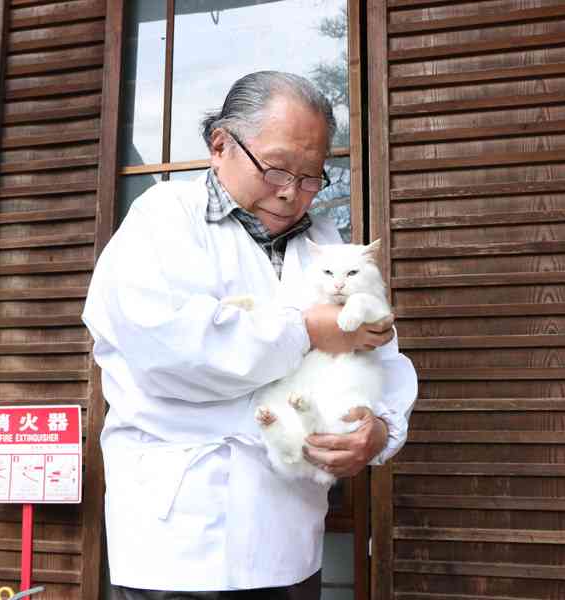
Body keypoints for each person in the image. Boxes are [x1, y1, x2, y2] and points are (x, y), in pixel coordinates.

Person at [82, 71, 417, 599]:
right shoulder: (162, 219)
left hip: (290, 537)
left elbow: (384, 354)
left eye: (312, 177)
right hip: (181, 534)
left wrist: (379, 429)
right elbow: (171, 349)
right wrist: (307, 331)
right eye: (278, 168)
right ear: (221, 145)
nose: (292, 192)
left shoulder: (327, 243)